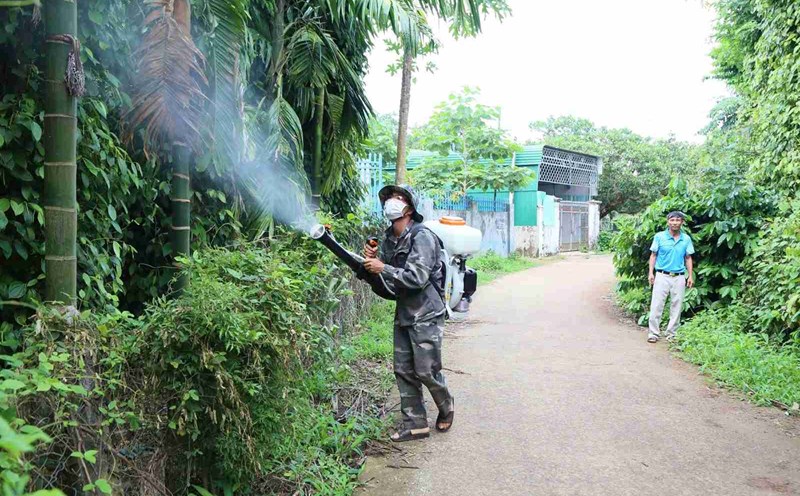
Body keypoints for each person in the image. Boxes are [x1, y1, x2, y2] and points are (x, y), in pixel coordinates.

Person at [362, 184, 454, 442]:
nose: (392, 202)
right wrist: (371, 265)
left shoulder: (422, 236)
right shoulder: (390, 239)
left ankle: (446, 405)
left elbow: (416, 278)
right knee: (403, 370)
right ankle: (415, 424)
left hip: (426, 314)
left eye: (398, 198)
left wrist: (382, 268)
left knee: (426, 371)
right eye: (389, 198)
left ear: (409, 208)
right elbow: (391, 283)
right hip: (405, 313)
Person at [647, 211, 695, 343]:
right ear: (668, 222)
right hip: (662, 275)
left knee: (677, 305)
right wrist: (651, 273)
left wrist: (690, 276)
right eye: (672, 220)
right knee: (657, 304)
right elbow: (653, 255)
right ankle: (653, 333)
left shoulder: (686, 239)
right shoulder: (659, 237)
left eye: (678, 220)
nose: (675, 223)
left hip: (679, 276)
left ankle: (672, 334)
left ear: (682, 222)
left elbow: (688, 257)